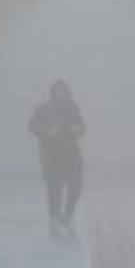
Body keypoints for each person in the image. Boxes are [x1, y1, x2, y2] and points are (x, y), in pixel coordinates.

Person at [29, 80, 86, 235]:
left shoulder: (72, 108)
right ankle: (54, 218)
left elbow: (82, 127)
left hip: (71, 152)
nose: (60, 93)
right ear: (52, 92)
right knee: (54, 187)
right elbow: (32, 126)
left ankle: (68, 214)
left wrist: (78, 129)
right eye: (57, 90)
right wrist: (47, 131)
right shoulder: (45, 109)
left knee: (75, 184)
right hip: (51, 153)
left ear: (67, 92)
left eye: (62, 90)